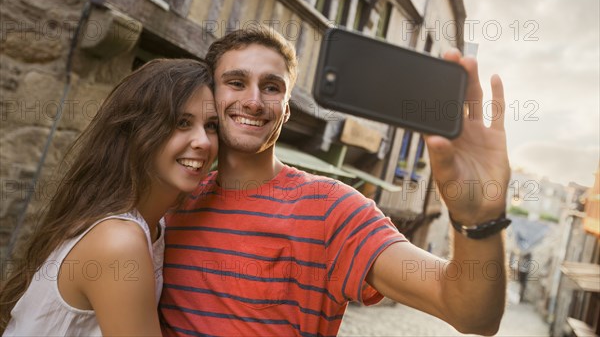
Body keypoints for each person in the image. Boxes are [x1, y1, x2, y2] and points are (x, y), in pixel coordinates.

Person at [159, 26, 510, 336]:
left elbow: (470, 314)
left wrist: (479, 219)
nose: (253, 101)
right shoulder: (172, 199)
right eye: (236, 83)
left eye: (271, 87)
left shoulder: (332, 209)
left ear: (287, 108)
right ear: (211, 96)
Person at [0, 59, 219, 336]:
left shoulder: (148, 226)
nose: (203, 141)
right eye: (182, 122)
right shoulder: (118, 241)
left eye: (211, 126)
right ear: (138, 130)